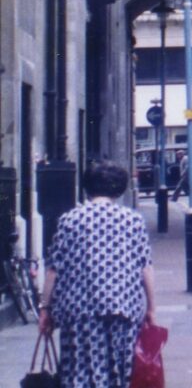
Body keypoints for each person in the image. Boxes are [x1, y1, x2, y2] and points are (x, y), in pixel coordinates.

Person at [38, 161, 157, 387]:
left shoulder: (70, 220)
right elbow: (146, 267)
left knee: (79, 371)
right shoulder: (132, 220)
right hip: (123, 307)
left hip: (78, 311)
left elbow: (53, 269)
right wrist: (151, 308)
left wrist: (45, 308)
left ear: (88, 187)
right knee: (120, 371)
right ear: (119, 188)